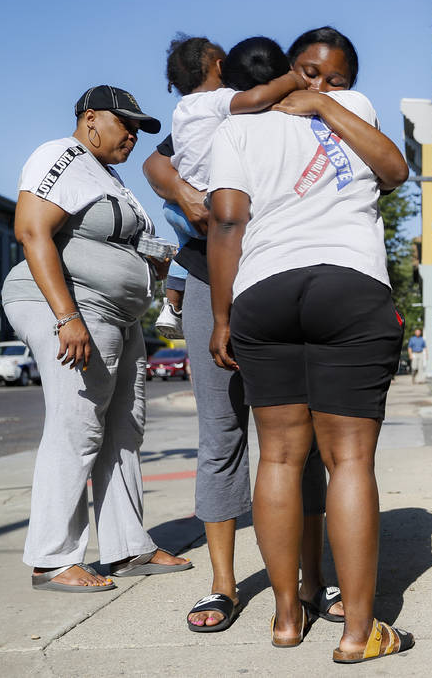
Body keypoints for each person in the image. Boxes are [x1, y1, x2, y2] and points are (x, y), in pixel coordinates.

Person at [206, 26, 413, 660]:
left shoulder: (239, 128)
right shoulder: (359, 109)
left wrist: (223, 317)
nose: (321, 86)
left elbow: (226, 220)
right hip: (348, 284)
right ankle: (357, 632)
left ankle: (286, 619)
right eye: (310, 73)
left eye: (335, 81)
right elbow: (396, 173)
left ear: (345, 82)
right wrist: (331, 107)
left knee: (278, 459)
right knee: (348, 460)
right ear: (287, 67)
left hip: (265, 289)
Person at [143, 36, 343, 633]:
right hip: (211, 277)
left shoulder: (297, 111)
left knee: (299, 435)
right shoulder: (225, 106)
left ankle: (312, 580)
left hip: (282, 274)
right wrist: (178, 188)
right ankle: (223, 584)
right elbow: (158, 160)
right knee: (221, 432)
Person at [2, 85, 193, 592]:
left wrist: (148, 258)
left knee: (124, 429)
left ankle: (128, 547)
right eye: (124, 124)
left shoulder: (108, 176)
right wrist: (67, 317)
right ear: (90, 119)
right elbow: (32, 230)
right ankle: (53, 558)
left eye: (139, 128)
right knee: (78, 426)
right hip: (69, 307)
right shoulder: (61, 155)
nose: (132, 135)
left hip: (117, 316)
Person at [153, 35, 309, 340]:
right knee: (216, 247)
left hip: (181, 205)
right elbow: (253, 99)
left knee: (185, 250)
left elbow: (157, 161)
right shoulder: (217, 101)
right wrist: (293, 79)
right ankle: (187, 304)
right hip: (211, 199)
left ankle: (172, 304)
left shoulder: (183, 110)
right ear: (220, 67)